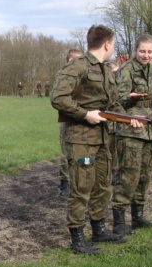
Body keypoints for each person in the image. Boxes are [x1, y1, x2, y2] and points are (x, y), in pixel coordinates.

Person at [51, 27, 142, 254]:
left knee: (102, 185)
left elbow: (111, 105)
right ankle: (77, 239)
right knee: (81, 188)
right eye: (113, 43)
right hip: (81, 139)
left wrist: (130, 118)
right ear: (107, 44)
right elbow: (58, 98)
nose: (113, 47)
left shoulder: (105, 71)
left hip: (103, 139)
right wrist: (85, 114)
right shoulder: (78, 66)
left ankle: (99, 229)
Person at [111, 34, 152, 235]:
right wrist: (130, 99)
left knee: (144, 175)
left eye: (149, 52)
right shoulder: (126, 70)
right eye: (142, 51)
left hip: (151, 129)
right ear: (135, 50)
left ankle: (138, 216)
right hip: (131, 129)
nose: (146, 55)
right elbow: (116, 100)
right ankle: (119, 220)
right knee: (128, 174)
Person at [57, 49, 83, 197]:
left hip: (84, 119)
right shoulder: (62, 76)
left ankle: (79, 182)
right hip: (68, 120)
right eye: (77, 60)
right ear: (69, 61)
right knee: (66, 154)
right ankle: (64, 183)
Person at [105, 60, 120, 186]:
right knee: (105, 152)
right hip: (106, 125)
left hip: (118, 126)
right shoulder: (104, 85)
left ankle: (114, 174)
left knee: (115, 151)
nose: (117, 74)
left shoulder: (120, 85)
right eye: (114, 71)